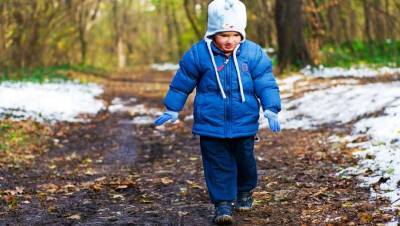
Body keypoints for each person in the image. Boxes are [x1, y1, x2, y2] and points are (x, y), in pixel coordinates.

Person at [154, 0, 281, 224]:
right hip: (210, 124)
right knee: (217, 163)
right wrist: (173, 108)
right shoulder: (199, 54)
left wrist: (271, 108)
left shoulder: (252, 53)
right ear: (212, 34)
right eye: (223, 35)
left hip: (244, 122)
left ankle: (244, 191)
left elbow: (265, 82)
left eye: (234, 34)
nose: (229, 40)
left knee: (245, 161)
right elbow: (181, 82)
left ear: (241, 33)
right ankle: (222, 205)